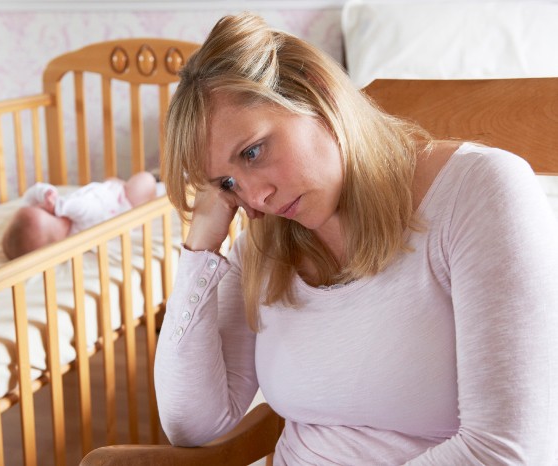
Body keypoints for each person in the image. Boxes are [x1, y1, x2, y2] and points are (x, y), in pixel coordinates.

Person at [154, 13, 558, 465]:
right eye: (227, 183)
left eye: (253, 152)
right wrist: (200, 249)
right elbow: (192, 421)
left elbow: (509, 453)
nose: (257, 197)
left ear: (314, 89)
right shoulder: (269, 241)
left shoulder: (480, 192)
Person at [2, 171, 156, 259]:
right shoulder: (76, 225)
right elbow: (91, 208)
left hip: (106, 191)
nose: (41, 204)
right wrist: (60, 206)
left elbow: (30, 195)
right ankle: (153, 194)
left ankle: (120, 183)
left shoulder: (61, 221)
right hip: (122, 204)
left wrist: (46, 192)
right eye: (41, 209)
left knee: (111, 180)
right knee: (145, 180)